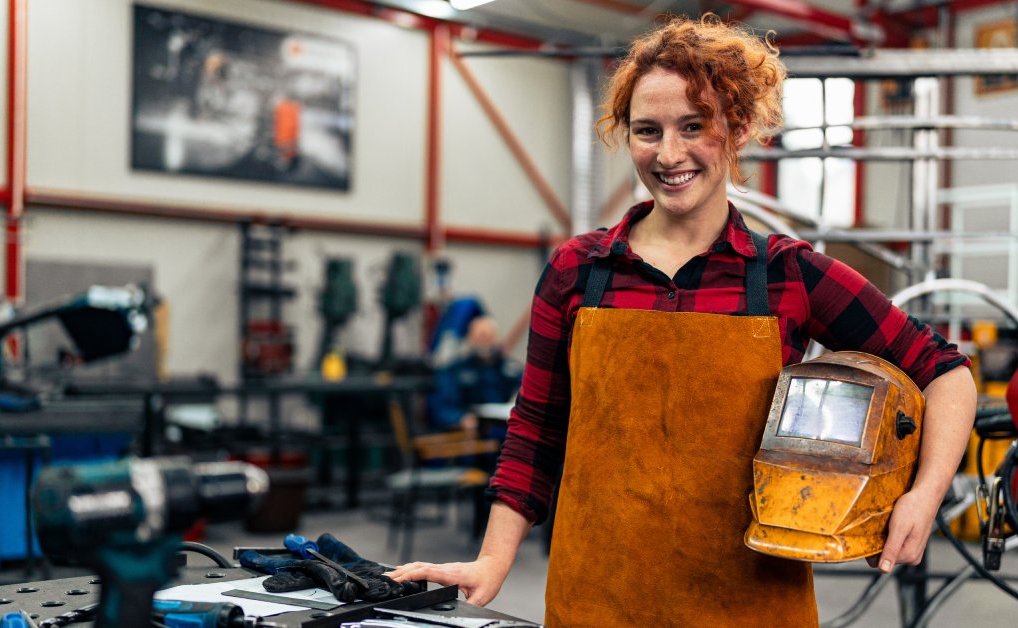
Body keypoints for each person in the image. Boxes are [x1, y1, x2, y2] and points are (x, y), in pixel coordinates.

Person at [386, 15, 976, 627]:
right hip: (597, 599)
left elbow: (946, 372)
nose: (669, 154)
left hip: (752, 605)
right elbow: (537, 427)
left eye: (693, 127)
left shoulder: (787, 275)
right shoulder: (578, 271)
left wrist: (925, 496)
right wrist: (492, 560)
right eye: (648, 131)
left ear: (738, 127)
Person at [428, 315, 521, 439]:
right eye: (480, 336)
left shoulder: (511, 368)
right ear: (469, 337)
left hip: (506, 431)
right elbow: (442, 407)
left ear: (497, 338)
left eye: (489, 336)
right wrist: (460, 418)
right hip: (472, 436)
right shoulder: (455, 370)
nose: (484, 341)